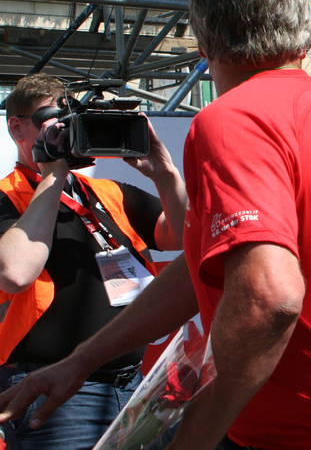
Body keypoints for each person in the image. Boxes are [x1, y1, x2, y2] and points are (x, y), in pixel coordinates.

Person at [0, 0, 311, 450]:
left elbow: (269, 298)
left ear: (204, 41)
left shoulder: (234, 119)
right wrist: (82, 360)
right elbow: (199, 267)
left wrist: (192, 440)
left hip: (300, 436)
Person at [0, 73, 187, 450]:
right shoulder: (7, 196)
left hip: (133, 385)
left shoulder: (105, 192)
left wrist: (165, 172)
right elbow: (15, 273)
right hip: (53, 390)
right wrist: (52, 172)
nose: (67, 133)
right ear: (17, 128)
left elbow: (181, 234)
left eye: (73, 122)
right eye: (55, 123)